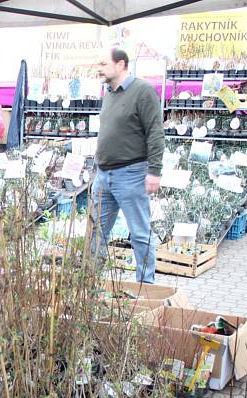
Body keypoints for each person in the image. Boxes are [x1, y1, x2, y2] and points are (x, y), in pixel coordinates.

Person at [91, 47, 164, 284]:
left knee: (140, 233)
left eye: (103, 64)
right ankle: (90, 282)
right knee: (95, 232)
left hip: (131, 174)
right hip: (104, 175)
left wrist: (154, 171)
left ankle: (146, 287)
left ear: (121, 64)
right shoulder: (110, 94)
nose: (99, 69)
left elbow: (155, 132)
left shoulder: (142, 91)